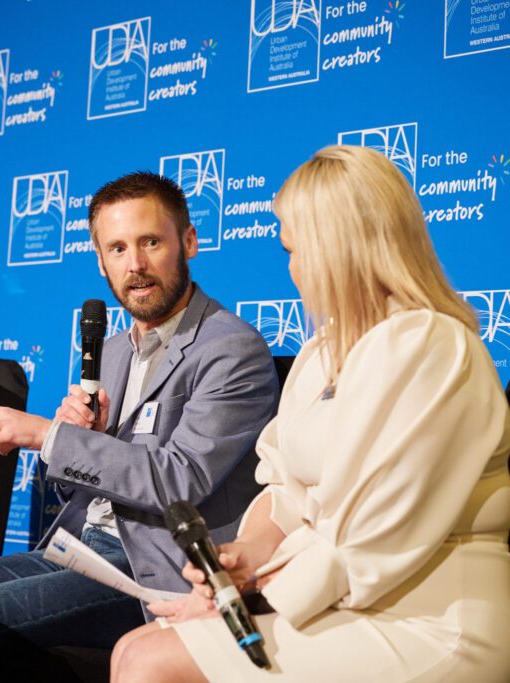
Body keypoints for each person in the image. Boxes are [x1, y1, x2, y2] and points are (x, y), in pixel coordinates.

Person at [0, 172, 280, 682]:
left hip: (155, 572)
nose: (135, 265)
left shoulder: (231, 349)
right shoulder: (113, 351)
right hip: (79, 551)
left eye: (150, 243)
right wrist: (80, 439)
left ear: (188, 242)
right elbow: (85, 489)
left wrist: (51, 437)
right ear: (100, 261)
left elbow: (178, 479)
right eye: (117, 248)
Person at [110, 145, 510, 683]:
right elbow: (283, 486)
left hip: (429, 617)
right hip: (339, 598)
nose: (292, 270)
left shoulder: (432, 345)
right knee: (133, 649)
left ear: (337, 249)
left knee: (147, 660)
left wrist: (249, 595)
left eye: (294, 251)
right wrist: (244, 558)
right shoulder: (323, 351)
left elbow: (376, 537)